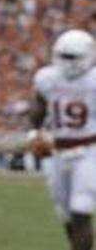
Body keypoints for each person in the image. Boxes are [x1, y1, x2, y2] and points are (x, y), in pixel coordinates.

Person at [29, 29, 96, 250]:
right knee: (66, 214)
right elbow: (38, 108)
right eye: (64, 56)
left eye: (73, 57)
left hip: (89, 150)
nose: (68, 63)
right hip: (56, 151)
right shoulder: (46, 77)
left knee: (81, 210)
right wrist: (35, 132)